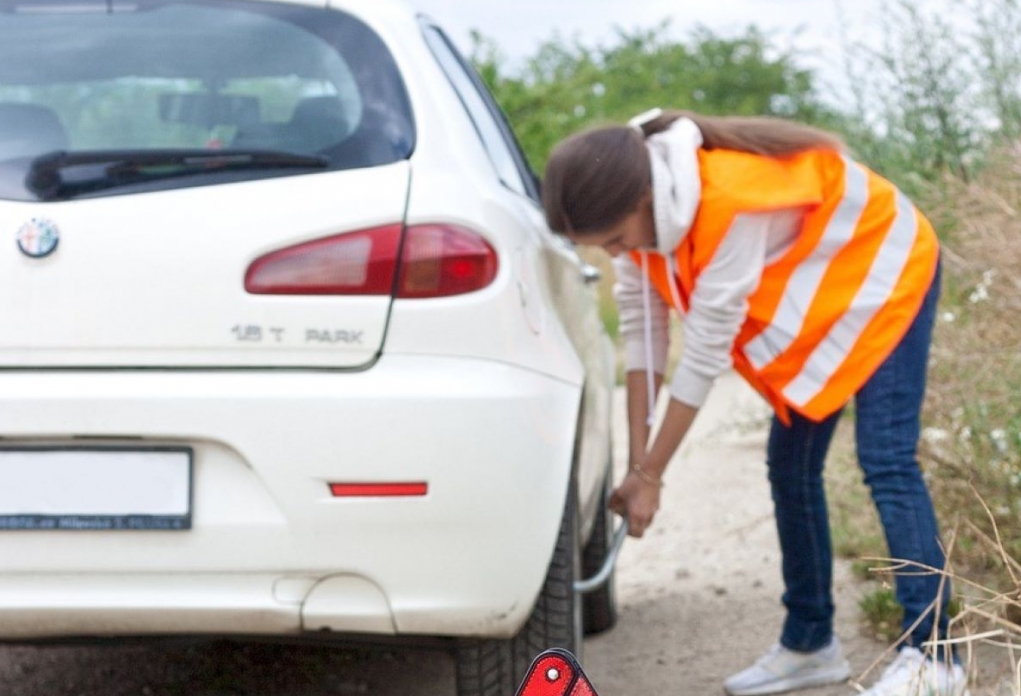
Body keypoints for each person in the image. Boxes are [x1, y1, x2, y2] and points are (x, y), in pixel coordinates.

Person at [541, 108, 967, 696]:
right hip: (825, 302)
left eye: (615, 239)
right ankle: (810, 643)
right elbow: (643, 338)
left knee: (886, 460)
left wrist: (653, 475)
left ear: (644, 199)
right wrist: (639, 465)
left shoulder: (728, 205)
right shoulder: (646, 214)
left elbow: (703, 358)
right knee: (790, 469)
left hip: (887, 273)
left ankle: (936, 656)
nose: (615, 254)